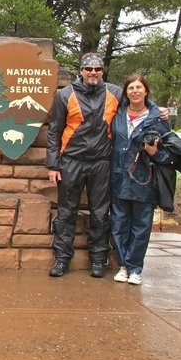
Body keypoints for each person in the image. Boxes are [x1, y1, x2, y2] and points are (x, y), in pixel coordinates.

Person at [46, 53, 123, 278]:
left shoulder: (115, 93)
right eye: (88, 69)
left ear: (102, 72)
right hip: (71, 160)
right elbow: (54, 131)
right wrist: (53, 164)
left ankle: (99, 258)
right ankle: (62, 258)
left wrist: (161, 112)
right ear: (81, 70)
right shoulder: (65, 95)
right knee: (66, 212)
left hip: (102, 161)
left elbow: (140, 106)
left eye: (97, 69)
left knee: (100, 213)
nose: (93, 73)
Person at [110, 75, 171, 285]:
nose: (135, 91)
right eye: (131, 88)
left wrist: (154, 153)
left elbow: (169, 154)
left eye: (139, 87)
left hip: (144, 180)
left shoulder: (158, 119)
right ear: (126, 92)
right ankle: (123, 266)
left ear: (146, 91)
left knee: (141, 226)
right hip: (118, 177)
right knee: (119, 224)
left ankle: (135, 268)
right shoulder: (116, 115)